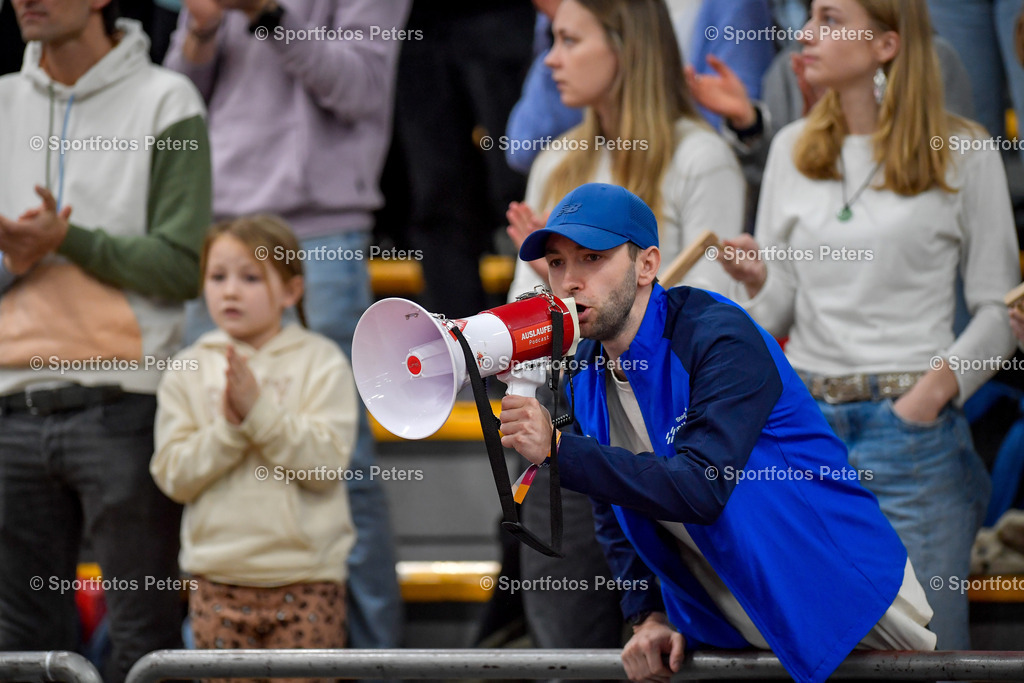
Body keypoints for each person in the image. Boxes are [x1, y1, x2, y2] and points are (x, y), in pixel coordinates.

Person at [499, 182, 936, 683]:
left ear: (647, 265)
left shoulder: (719, 336)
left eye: (591, 257)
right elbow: (612, 509)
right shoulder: (583, 369)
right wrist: (648, 613)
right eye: (557, 263)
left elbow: (701, 486)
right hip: (735, 631)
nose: (570, 281)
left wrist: (558, 451)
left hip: (845, 603)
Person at [716, 0, 1019, 650]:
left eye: (829, 18)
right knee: (820, 646)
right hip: (806, 433)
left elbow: (999, 310)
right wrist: (759, 284)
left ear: (886, 43)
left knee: (927, 651)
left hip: (912, 436)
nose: (806, 35)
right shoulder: (794, 147)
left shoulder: (964, 150)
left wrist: (927, 397)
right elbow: (781, 310)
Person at [163, 0, 407, 650]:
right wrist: (204, 28)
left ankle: (377, 661)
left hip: (318, 231)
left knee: (339, 464)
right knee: (203, 440)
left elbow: (360, 89)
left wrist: (268, 14)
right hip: (219, 230)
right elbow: (175, 112)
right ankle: (208, 648)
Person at [0, 0, 212, 677]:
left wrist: (69, 240)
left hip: (127, 404)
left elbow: (181, 267)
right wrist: (15, 259)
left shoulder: (167, 98)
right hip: (9, 410)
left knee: (143, 636)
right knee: (21, 641)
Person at [151, 216, 356, 664]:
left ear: (291, 291)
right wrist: (230, 429)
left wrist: (257, 412)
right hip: (216, 580)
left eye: (249, 277)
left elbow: (324, 467)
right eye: (217, 276)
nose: (229, 291)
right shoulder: (188, 366)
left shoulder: (323, 362)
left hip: (308, 579)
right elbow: (173, 476)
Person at [506, 0, 745, 299]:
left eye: (570, 40)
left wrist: (573, 293)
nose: (550, 60)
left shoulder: (702, 158)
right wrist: (552, 285)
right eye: (555, 40)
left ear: (626, 47)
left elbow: (708, 311)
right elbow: (522, 307)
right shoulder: (555, 160)